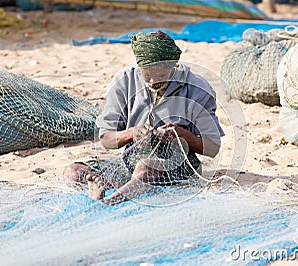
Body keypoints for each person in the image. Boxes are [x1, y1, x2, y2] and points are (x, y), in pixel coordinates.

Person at [63, 30, 225, 204]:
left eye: (162, 75)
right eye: (147, 75)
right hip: (130, 160)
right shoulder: (124, 81)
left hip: (178, 163)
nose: (153, 82)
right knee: (73, 172)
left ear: (173, 66)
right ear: (140, 67)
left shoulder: (197, 89)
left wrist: (181, 134)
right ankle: (115, 187)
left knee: (146, 167)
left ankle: (109, 203)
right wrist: (132, 133)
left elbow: (212, 148)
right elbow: (106, 140)